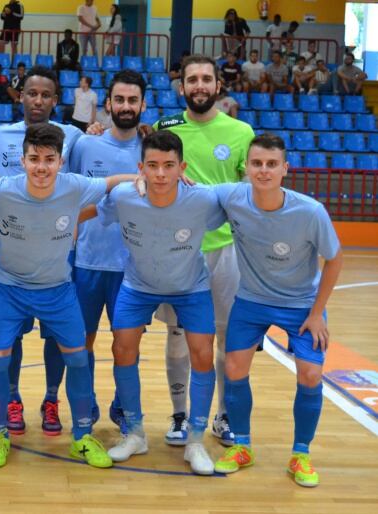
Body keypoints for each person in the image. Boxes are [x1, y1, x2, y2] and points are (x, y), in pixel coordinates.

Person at [0, 123, 133, 468]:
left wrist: (147, 179)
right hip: (8, 289)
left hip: (57, 291)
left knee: (77, 359)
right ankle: (0, 435)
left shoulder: (75, 186)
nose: (41, 167)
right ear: (23, 160)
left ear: (60, 161)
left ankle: (82, 438)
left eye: (48, 159)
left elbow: (113, 182)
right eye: (33, 159)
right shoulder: (1, 189)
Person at [91, 130, 225, 476]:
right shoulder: (123, 196)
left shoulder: (203, 199)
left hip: (190, 286)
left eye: (169, 166)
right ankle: (135, 433)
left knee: (203, 353)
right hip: (138, 285)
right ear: (141, 168)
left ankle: (195, 439)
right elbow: (92, 211)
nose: (161, 174)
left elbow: (241, 206)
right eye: (153, 166)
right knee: (122, 349)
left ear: (182, 167)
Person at [212, 133, 343, 488]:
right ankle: (241, 445)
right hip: (251, 300)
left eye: (272, 164)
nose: (264, 170)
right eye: (257, 164)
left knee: (311, 375)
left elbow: (334, 259)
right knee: (234, 367)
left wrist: (317, 313)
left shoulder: (310, 211)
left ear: (285, 169)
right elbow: (191, 193)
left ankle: (301, 454)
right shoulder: (233, 197)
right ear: (246, 169)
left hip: (301, 305)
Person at [152, 54, 255, 449]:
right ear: (182, 87)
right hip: (179, 251)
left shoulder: (240, 131)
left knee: (229, 338)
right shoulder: (166, 127)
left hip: (226, 251)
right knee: (179, 337)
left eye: (206, 79)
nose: (198, 85)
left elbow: (249, 193)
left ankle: (224, 417)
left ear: (217, 86)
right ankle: (180, 416)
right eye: (191, 79)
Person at [0, 66, 85, 435]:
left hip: (56, 256)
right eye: (31, 93)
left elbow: (89, 189)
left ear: (56, 100)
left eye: (46, 95)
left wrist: (69, 222)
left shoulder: (75, 136)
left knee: (56, 335)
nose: (37, 100)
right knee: (10, 336)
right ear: (19, 96)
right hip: (12, 254)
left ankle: (51, 399)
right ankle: (12, 397)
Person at [68, 69, 146, 429]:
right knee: (81, 344)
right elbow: (67, 195)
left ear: (143, 104)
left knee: (127, 346)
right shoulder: (86, 144)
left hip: (133, 267)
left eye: (133, 100)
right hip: (86, 262)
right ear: (108, 104)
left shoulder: (152, 147)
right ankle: (85, 412)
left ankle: (124, 409)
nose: (126, 106)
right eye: (120, 99)